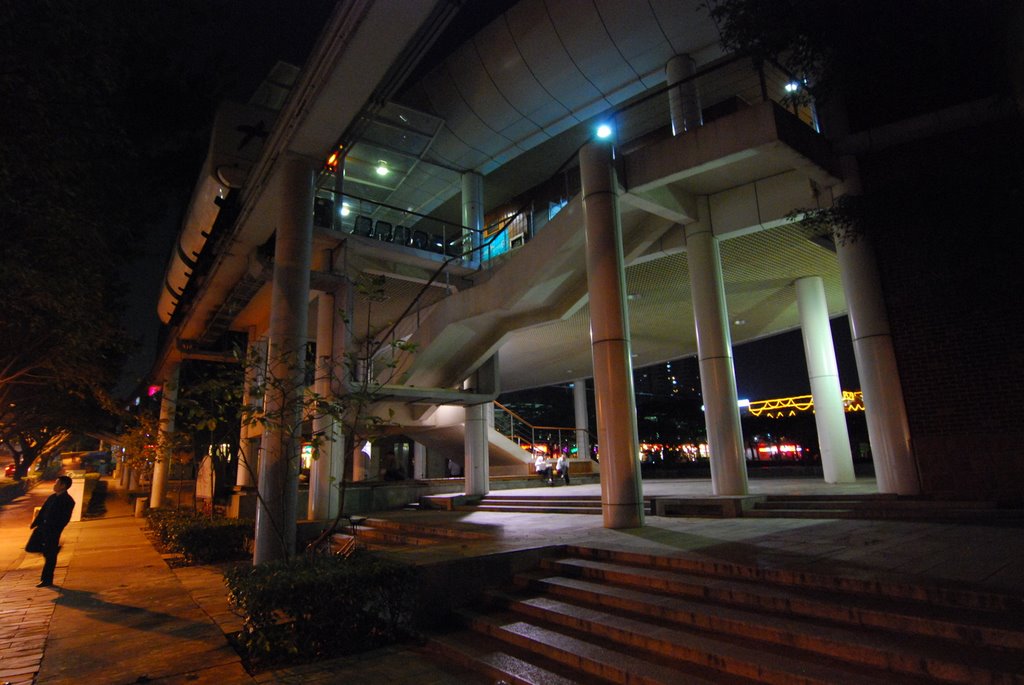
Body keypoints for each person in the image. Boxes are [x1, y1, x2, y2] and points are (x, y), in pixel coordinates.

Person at [27, 475, 75, 588]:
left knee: (50, 557)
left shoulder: (68, 501)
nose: (54, 485)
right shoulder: (52, 497)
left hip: (52, 531)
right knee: (30, 547)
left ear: (63, 486)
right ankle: (51, 550)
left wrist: (56, 529)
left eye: (57, 483)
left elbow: (65, 518)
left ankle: (46, 580)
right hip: (41, 528)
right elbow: (43, 510)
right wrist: (35, 523)